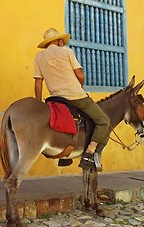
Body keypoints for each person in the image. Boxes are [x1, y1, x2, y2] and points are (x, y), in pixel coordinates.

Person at [33, 28, 110, 171]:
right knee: (104, 121)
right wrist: (79, 86)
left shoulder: (39, 57)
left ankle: (64, 156)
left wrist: (38, 102)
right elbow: (80, 75)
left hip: (55, 99)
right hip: (75, 96)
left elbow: (38, 82)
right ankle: (89, 153)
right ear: (59, 41)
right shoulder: (66, 51)